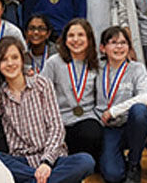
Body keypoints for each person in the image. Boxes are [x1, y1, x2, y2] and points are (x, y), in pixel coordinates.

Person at [0, 37, 95, 183]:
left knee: (86, 161)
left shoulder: (42, 84)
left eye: (15, 57)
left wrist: (46, 163)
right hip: (21, 161)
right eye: (4, 60)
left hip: (53, 158)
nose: (10, 63)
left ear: (23, 60)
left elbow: (56, 127)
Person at [95, 27, 147, 183]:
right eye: (113, 43)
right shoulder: (96, 68)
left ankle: (134, 163)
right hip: (108, 128)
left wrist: (113, 111)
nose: (119, 47)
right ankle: (115, 157)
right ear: (103, 48)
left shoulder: (137, 68)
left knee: (140, 111)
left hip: (130, 126)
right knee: (113, 176)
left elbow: (146, 97)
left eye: (123, 43)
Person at [41, 19, 102, 160]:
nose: (76, 40)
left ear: (89, 38)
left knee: (92, 133)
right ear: (65, 39)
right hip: (59, 120)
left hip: (86, 118)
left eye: (81, 35)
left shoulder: (97, 63)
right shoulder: (54, 62)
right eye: (71, 35)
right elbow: (41, 91)